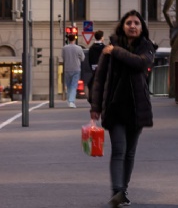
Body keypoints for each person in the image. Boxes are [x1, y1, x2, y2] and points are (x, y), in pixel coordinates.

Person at [90, 11, 156, 208]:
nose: (133, 26)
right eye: (129, 23)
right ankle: (117, 190)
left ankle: (123, 190)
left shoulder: (146, 47)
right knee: (119, 149)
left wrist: (116, 51)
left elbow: (140, 63)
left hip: (137, 108)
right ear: (122, 26)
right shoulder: (107, 50)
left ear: (142, 27)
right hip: (115, 107)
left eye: (136, 23)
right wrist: (95, 106)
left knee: (130, 152)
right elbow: (99, 79)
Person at [61, 33, 86, 108]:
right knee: (74, 85)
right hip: (76, 68)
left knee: (68, 85)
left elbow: (63, 57)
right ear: (74, 39)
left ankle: (69, 100)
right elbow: (83, 58)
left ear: (68, 39)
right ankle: (71, 101)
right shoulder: (78, 48)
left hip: (67, 68)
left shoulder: (64, 48)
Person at [84, 30, 105, 103]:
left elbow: (89, 59)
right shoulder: (104, 47)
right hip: (102, 67)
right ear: (102, 38)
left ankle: (94, 96)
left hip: (94, 67)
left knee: (94, 82)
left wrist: (92, 67)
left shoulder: (92, 47)